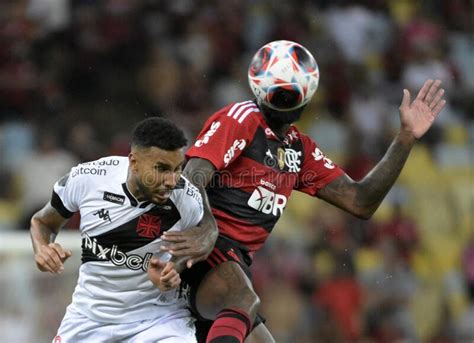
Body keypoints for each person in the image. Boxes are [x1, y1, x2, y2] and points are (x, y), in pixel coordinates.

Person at [154, 40, 446, 343]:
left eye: (289, 92)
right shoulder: (241, 118)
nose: (284, 97)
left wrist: (405, 139)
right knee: (242, 300)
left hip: (232, 262)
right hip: (198, 247)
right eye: (279, 91)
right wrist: (206, 226)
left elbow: (361, 202)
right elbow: (190, 177)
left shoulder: (299, 149)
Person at [30, 117, 217, 343]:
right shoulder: (88, 179)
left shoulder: (186, 200)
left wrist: (173, 269)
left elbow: (200, 244)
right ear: (134, 162)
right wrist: (42, 248)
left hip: (158, 321)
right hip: (89, 319)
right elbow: (42, 222)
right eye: (162, 169)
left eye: (177, 169)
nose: (171, 180)